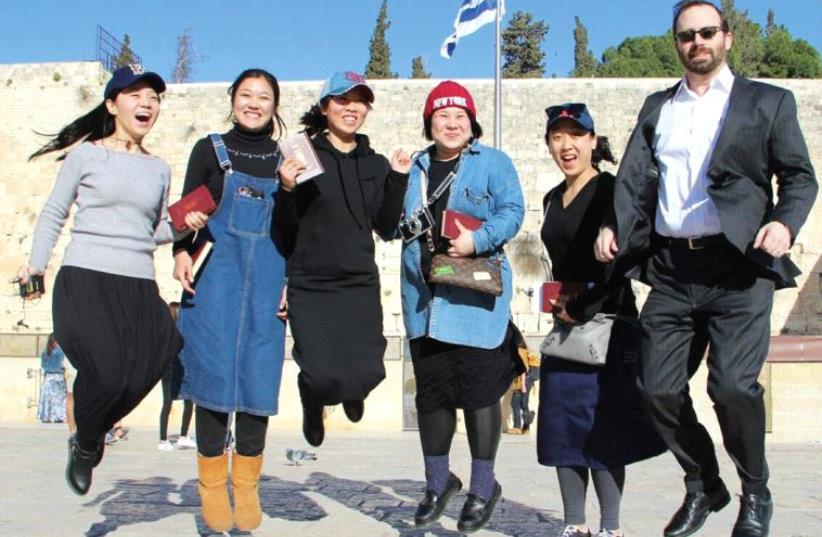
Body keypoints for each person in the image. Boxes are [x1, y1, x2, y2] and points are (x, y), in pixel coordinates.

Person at [594, 3, 818, 536]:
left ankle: (755, 491)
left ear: (727, 38)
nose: (697, 42)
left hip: (738, 266)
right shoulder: (658, 107)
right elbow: (632, 181)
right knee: (654, 388)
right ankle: (704, 483)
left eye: (706, 32)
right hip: (672, 269)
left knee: (734, 388)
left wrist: (785, 224)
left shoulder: (768, 102)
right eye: (686, 35)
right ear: (676, 43)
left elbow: (800, 178)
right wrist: (613, 225)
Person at [19, 64, 207, 496]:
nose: (147, 103)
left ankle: (91, 429)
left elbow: (155, 229)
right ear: (111, 104)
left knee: (164, 348)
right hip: (86, 276)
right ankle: (87, 443)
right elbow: (54, 211)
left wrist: (185, 225)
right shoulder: (87, 155)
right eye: (135, 94)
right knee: (104, 372)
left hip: (137, 283)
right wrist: (35, 265)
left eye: (154, 97)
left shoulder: (159, 168)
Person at [388, 80, 525, 533]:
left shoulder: (494, 164)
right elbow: (389, 223)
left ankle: (483, 488)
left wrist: (477, 239)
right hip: (425, 301)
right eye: (442, 116)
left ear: (472, 123)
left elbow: (513, 211)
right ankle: (436, 482)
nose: (451, 123)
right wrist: (392, 179)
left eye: (460, 116)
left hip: (475, 301)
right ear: (429, 122)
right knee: (432, 398)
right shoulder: (414, 168)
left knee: (480, 395)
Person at [539, 103, 667, 537]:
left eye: (576, 134)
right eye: (558, 136)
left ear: (593, 141)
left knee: (604, 428)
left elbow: (621, 264)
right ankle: (575, 525)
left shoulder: (614, 191)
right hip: (566, 328)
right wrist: (559, 304)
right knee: (563, 430)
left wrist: (582, 307)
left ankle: (611, 527)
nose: (567, 144)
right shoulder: (551, 199)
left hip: (608, 324)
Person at [174, 68, 289, 533]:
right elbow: (185, 210)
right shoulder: (209, 149)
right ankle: (209, 487)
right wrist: (181, 249)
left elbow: (300, 226)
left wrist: (294, 281)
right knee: (213, 385)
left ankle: (245, 487)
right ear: (233, 98)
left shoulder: (287, 158)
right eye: (246, 95)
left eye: (264, 97)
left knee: (259, 386)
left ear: (275, 105)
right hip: (216, 280)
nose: (254, 103)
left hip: (268, 281)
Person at [276, 70, 411, 447]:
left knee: (369, 370)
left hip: (358, 281)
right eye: (342, 100)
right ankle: (311, 396)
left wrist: (398, 178)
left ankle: (354, 391)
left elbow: (385, 226)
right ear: (324, 107)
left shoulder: (376, 163)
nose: (351, 108)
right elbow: (285, 228)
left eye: (360, 101)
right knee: (319, 372)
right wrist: (286, 189)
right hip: (312, 281)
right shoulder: (300, 155)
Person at [157, 302, 194, 451]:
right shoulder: (176, 332)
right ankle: (175, 437)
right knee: (183, 402)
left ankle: (169, 438)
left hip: (169, 370)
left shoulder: (165, 331)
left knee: (171, 403)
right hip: (174, 370)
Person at [506, 328, 538, 435]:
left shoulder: (520, 352)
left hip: (522, 382)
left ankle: (517, 427)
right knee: (523, 404)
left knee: (515, 403)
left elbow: (523, 369)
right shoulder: (526, 350)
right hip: (527, 381)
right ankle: (526, 426)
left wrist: (523, 385)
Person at [38, 334, 67, 424]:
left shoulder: (46, 351)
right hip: (59, 376)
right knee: (59, 398)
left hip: (49, 377)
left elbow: (43, 365)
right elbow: (63, 364)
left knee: (47, 398)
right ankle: (58, 416)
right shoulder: (61, 351)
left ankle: (46, 416)